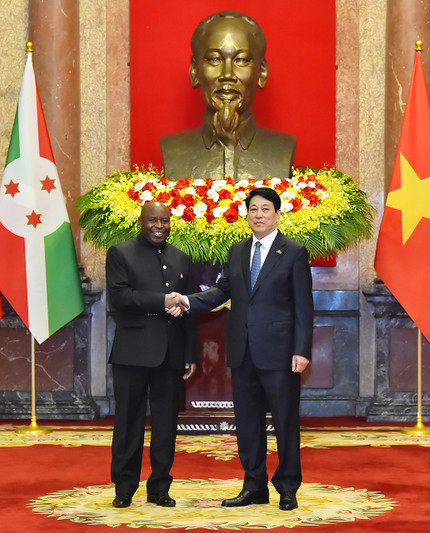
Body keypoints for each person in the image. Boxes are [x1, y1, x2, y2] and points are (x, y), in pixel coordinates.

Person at [170, 187, 313, 511]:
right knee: (247, 422)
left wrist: (302, 350)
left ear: (277, 214)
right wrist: (187, 301)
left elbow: (304, 306)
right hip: (242, 351)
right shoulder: (237, 250)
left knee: (285, 422)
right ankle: (254, 486)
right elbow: (221, 291)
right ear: (246, 215)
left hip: (280, 352)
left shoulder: (293, 251)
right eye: (253, 209)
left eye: (265, 209)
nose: (258, 215)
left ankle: (287, 487)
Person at [106, 201, 197, 508]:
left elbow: (190, 309)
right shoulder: (120, 253)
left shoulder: (182, 258)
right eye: (153, 220)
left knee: (166, 425)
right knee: (128, 423)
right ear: (141, 222)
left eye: (165, 221)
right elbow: (119, 296)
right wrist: (162, 300)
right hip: (132, 353)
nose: (159, 226)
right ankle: (124, 487)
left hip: (170, 355)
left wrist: (190, 353)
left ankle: (160, 487)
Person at [160, 10, 296, 180]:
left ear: (261, 72)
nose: (227, 75)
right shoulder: (173, 149)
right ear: (195, 71)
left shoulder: (283, 149)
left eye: (241, 60)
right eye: (214, 59)